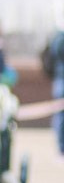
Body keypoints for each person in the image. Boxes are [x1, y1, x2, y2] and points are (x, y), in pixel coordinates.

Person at [42, 24, 64, 155]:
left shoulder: (56, 37)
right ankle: (61, 146)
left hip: (58, 80)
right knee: (61, 114)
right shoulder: (60, 38)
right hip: (61, 79)